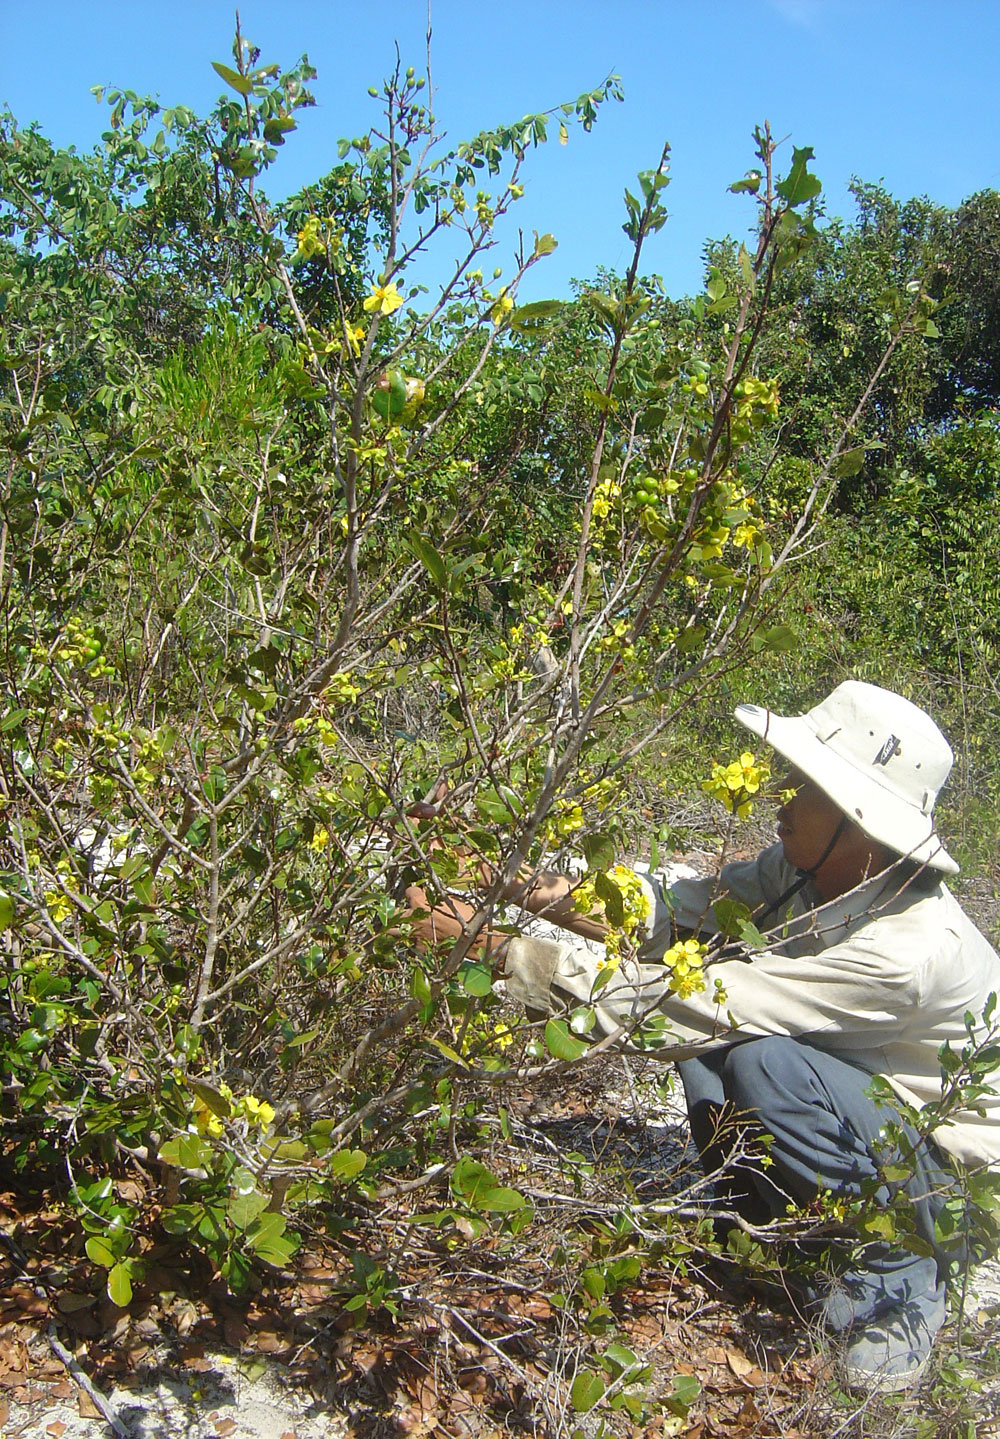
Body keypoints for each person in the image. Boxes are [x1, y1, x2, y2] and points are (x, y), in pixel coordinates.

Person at [499, 681, 1000, 1393]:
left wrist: (501, 954)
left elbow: (689, 1004)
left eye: (804, 785)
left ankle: (902, 1277)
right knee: (725, 1046)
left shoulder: (907, 952)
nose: (780, 799)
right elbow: (677, 911)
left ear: (858, 819)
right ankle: (772, 1222)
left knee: (756, 1054)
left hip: (951, 1184)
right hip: (874, 1120)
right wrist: (516, 882)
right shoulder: (811, 870)